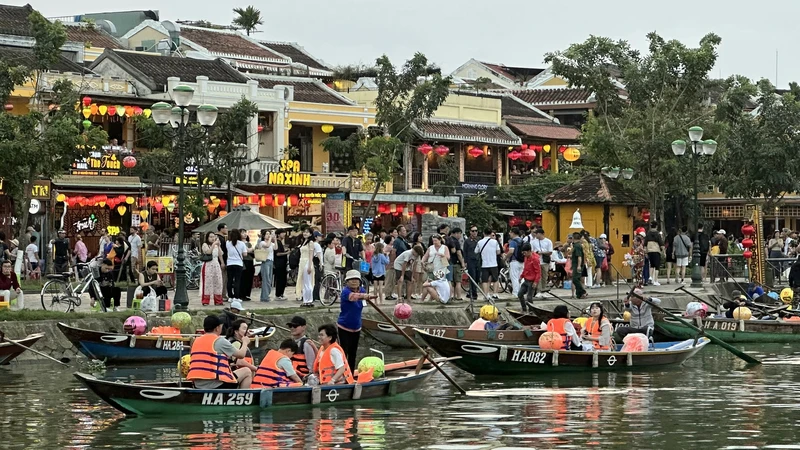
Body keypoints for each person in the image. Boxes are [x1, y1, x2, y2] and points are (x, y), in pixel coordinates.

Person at [187, 315, 252, 389]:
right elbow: (241, 355)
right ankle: (242, 397)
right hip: (217, 385)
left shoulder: (196, 340)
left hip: (197, 385)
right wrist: (245, 342)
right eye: (221, 326)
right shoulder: (220, 341)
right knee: (247, 371)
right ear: (217, 328)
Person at [337, 269, 376, 370]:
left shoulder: (362, 291)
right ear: (347, 281)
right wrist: (365, 296)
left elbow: (361, 298)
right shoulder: (345, 292)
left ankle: (351, 372)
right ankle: (343, 372)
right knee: (344, 352)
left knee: (353, 352)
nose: (354, 281)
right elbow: (353, 297)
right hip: (344, 326)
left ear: (360, 281)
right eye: (351, 279)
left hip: (357, 326)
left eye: (356, 279)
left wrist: (365, 296)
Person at [475, 228, 501, 300]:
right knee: (495, 279)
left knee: (485, 280)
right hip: (494, 263)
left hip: (484, 264)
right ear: (490, 233)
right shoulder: (495, 242)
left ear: (483, 233)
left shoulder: (480, 242)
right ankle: (495, 294)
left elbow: (476, 251)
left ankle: (486, 295)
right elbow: (498, 252)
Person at [200, 231, 224, 306]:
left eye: (213, 237)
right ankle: (205, 301)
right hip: (208, 265)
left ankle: (218, 300)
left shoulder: (217, 246)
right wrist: (213, 244)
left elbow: (220, 254)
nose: (212, 238)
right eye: (210, 237)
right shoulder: (205, 245)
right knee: (207, 283)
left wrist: (222, 262)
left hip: (216, 264)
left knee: (218, 282)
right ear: (207, 238)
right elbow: (208, 252)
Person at [517, 243, 541, 312]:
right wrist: (521, 276)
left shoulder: (535, 259)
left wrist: (536, 282)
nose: (524, 254)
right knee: (520, 294)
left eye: (525, 253)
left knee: (529, 297)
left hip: (532, 281)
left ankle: (531, 311)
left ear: (529, 251)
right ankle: (524, 309)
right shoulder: (526, 258)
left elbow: (538, 272)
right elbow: (525, 268)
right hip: (526, 280)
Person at [225, 229, 247, 302]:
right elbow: (245, 254)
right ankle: (236, 297)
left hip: (229, 263)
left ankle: (230, 296)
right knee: (237, 281)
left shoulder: (228, 243)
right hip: (238, 264)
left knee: (230, 280)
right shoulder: (242, 244)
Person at [531, 228, 553, 297]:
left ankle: (544, 290)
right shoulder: (533, 242)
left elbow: (550, 252)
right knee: (538, 276)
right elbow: (531, 251)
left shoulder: (548, 241)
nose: (536, 235)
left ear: (541, 234)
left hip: (545, 261)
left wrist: (542, 252)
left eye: (537, 233)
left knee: (545, 276)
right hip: (537, 261)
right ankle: (538, 290)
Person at [297, 229, 316, 307]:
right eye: (304, 232)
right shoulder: (303, 242)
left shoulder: (311, 243)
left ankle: (309, 300)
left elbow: (311, 255)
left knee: (308, 282)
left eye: (307, 232)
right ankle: (305, 300)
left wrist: (309, 266)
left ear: (311, 234)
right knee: (304, 282)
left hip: (307, 262)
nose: (305, 233)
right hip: (302, 262)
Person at [390, 226, 409, 300]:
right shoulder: (397, 241)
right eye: (403, 231)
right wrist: (392, 262)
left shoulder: (404, 240)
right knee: (400, 280)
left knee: (406, 280)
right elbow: (394, 252)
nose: (405, 232)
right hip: (399, 262)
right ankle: (399, 295)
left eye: (405, 230)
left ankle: (405, 294)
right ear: (399, 232)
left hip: (405, 262)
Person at [258, 230, 277, 302]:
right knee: (266, 279)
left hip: (271, 261)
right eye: (267, 234)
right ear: (263, 236)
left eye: (269, 234)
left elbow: (275, 248)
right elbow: (267, 245)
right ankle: (264, 296)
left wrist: (274, 240)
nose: (268, 235)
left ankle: (266, 295)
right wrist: (270, 238)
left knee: (269, 279)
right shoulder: (262, 243)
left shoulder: (271, 243)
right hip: (265, 261)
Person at [464, 226, 480, 301]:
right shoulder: (467, 241)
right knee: (472, 277)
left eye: (476, 231)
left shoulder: (479, 240)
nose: (474, 232)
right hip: (470, 261)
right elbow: (465, 252)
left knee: (477, 277)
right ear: (470, 232)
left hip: (478, 260)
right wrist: (465, 262)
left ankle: (473, 291)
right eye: (473, 231)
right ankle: (473, 293)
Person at [506, 227, 524, 296]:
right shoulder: (522, 241)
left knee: (514, 277)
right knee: (521, 277)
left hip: (514, 261)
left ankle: (516, 292)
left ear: (513, 233)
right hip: (522, 261)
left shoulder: (513, 241)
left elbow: (511, 251)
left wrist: (506, 257)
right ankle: (522, 291)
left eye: (510, 232)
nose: (509, 234)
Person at [273, 230, 290, 301]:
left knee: (283, 279)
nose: (284, 234)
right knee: (280, 279)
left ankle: (281, 294)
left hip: (283, 264)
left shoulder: (280, 243)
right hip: (279, 264)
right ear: (278, 234)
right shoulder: (277, 243)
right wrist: (287, 253)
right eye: (282, 233)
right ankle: (278, 294)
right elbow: (278, 253)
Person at [239, 229, 255, 302]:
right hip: (243, 261)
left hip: (250, 261)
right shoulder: (239, 243)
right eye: (242, 233)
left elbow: (251, 252)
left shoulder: (249, 243)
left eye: (245, 232)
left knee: (249, 278)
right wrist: (252, 249)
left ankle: (247, 294)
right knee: (243, 278)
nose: (244, 234)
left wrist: (251, 250)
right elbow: (246, 251)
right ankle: (241, 294)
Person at [570, 232, 587, 299]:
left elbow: (579, 256)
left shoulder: (577, 246)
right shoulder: (577, 245)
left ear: (573, 238)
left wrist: (579, 266)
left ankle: (583, 291)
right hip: (575, 263)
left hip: (577, 264)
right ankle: (579, 294)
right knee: (577, 279)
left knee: (575, 279)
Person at [216, 223, 229, 300]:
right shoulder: (220, 238)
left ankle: (223, 294)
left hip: (221, 260)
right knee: (223, 278)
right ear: (221, 229)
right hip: (221, 261)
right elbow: (220, 252)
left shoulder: (222, 238)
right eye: (225, 228)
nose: (227, 230)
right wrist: (222, 262)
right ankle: (222, 294)